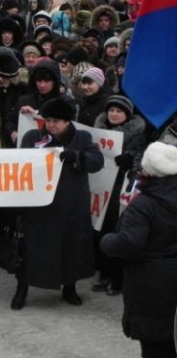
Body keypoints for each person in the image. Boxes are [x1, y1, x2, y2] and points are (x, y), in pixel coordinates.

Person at [12, 96, 104, 310]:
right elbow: (19, 167)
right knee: (32, 249)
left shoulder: (82, 138)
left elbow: (97, 162)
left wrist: (77, 158)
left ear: (68, 121)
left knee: (71, 247)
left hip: (71, 204)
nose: (51, 125)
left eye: (56, 121)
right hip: (39, 205)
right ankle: (22, 288)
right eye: (48, 120)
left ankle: (69, 287)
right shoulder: (33, 136)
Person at [101, 142, 177, 358]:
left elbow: (129, 244)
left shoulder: (143, 205)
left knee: (155, 345)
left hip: (151, 283)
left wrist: (107, 241)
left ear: (149, 171)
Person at [92, 95, 147, 296]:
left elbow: (142, 161)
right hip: (99, 188)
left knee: (116, 229)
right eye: (111, 110)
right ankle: (103, 272)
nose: (114, 114)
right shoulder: (97, 131)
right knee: (100, 228)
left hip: (121, 189)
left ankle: (116, 277)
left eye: (119, 111)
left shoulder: (138, 135)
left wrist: (130, 160)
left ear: (127, 114)